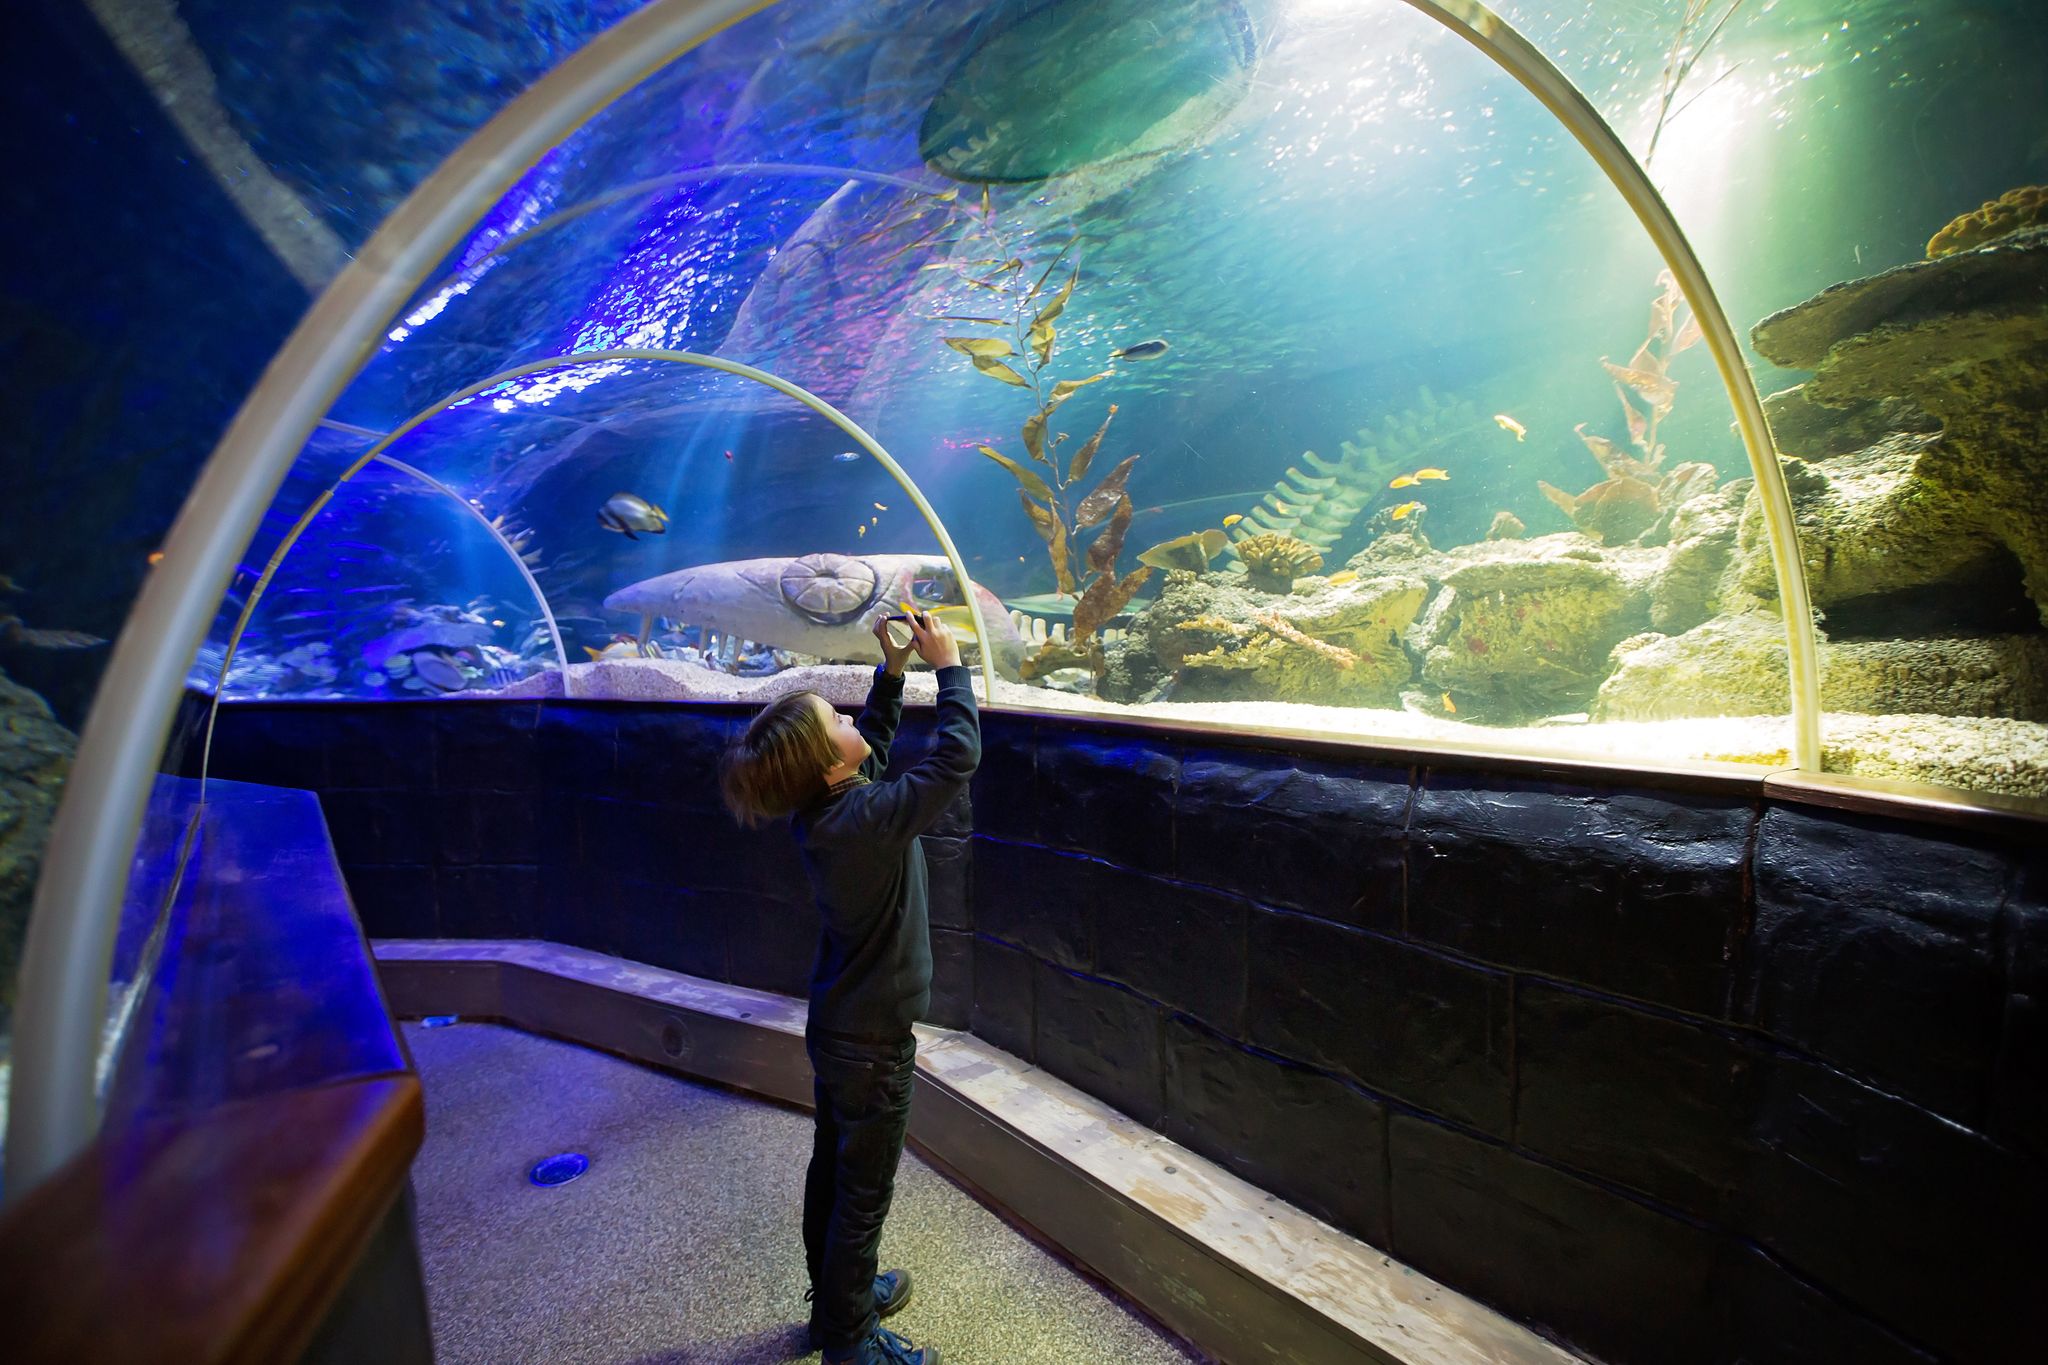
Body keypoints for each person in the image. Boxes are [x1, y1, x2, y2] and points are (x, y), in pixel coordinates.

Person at [718, 609, 980, 1365]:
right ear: (833, 767)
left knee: (834, 1172)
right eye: (833, 719)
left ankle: (840, 1299)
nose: (847, 720)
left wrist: (892, 673)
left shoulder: (829, 809)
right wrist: (950, 665)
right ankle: (850, 1340)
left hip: (840, 1029)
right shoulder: (863, 817)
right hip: (871, 1046)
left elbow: (875, 742)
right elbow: (957, 756)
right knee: (861, 1197)